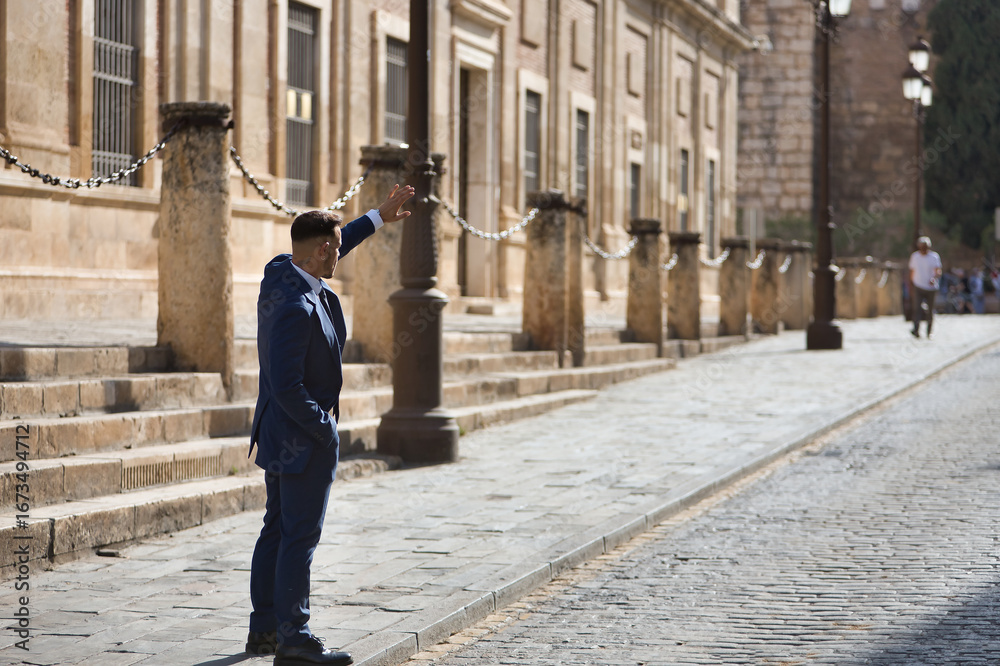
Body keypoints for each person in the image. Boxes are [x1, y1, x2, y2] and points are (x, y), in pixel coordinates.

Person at [246, 184, 414, 665]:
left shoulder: (280, 272)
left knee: (276, 529)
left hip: (278, 433)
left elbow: (334, 239)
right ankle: (295, 640)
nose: (341, 254)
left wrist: (376, 218)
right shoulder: (297, 307)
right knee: (299, 536)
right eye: (336, 249)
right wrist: (324, 429)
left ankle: (265, 631)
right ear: (322, 251)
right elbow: (286, 385)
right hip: (301, 437)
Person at [909, 236, 942, 338]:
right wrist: (911, 285)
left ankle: (929, 331)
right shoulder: (915, 257)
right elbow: (912, 271)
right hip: (918, 285)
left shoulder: (934, 257)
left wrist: (934, 278)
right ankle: (916, 329)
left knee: (930, 310)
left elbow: (938, 270)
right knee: (917, 309)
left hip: (931, 288)